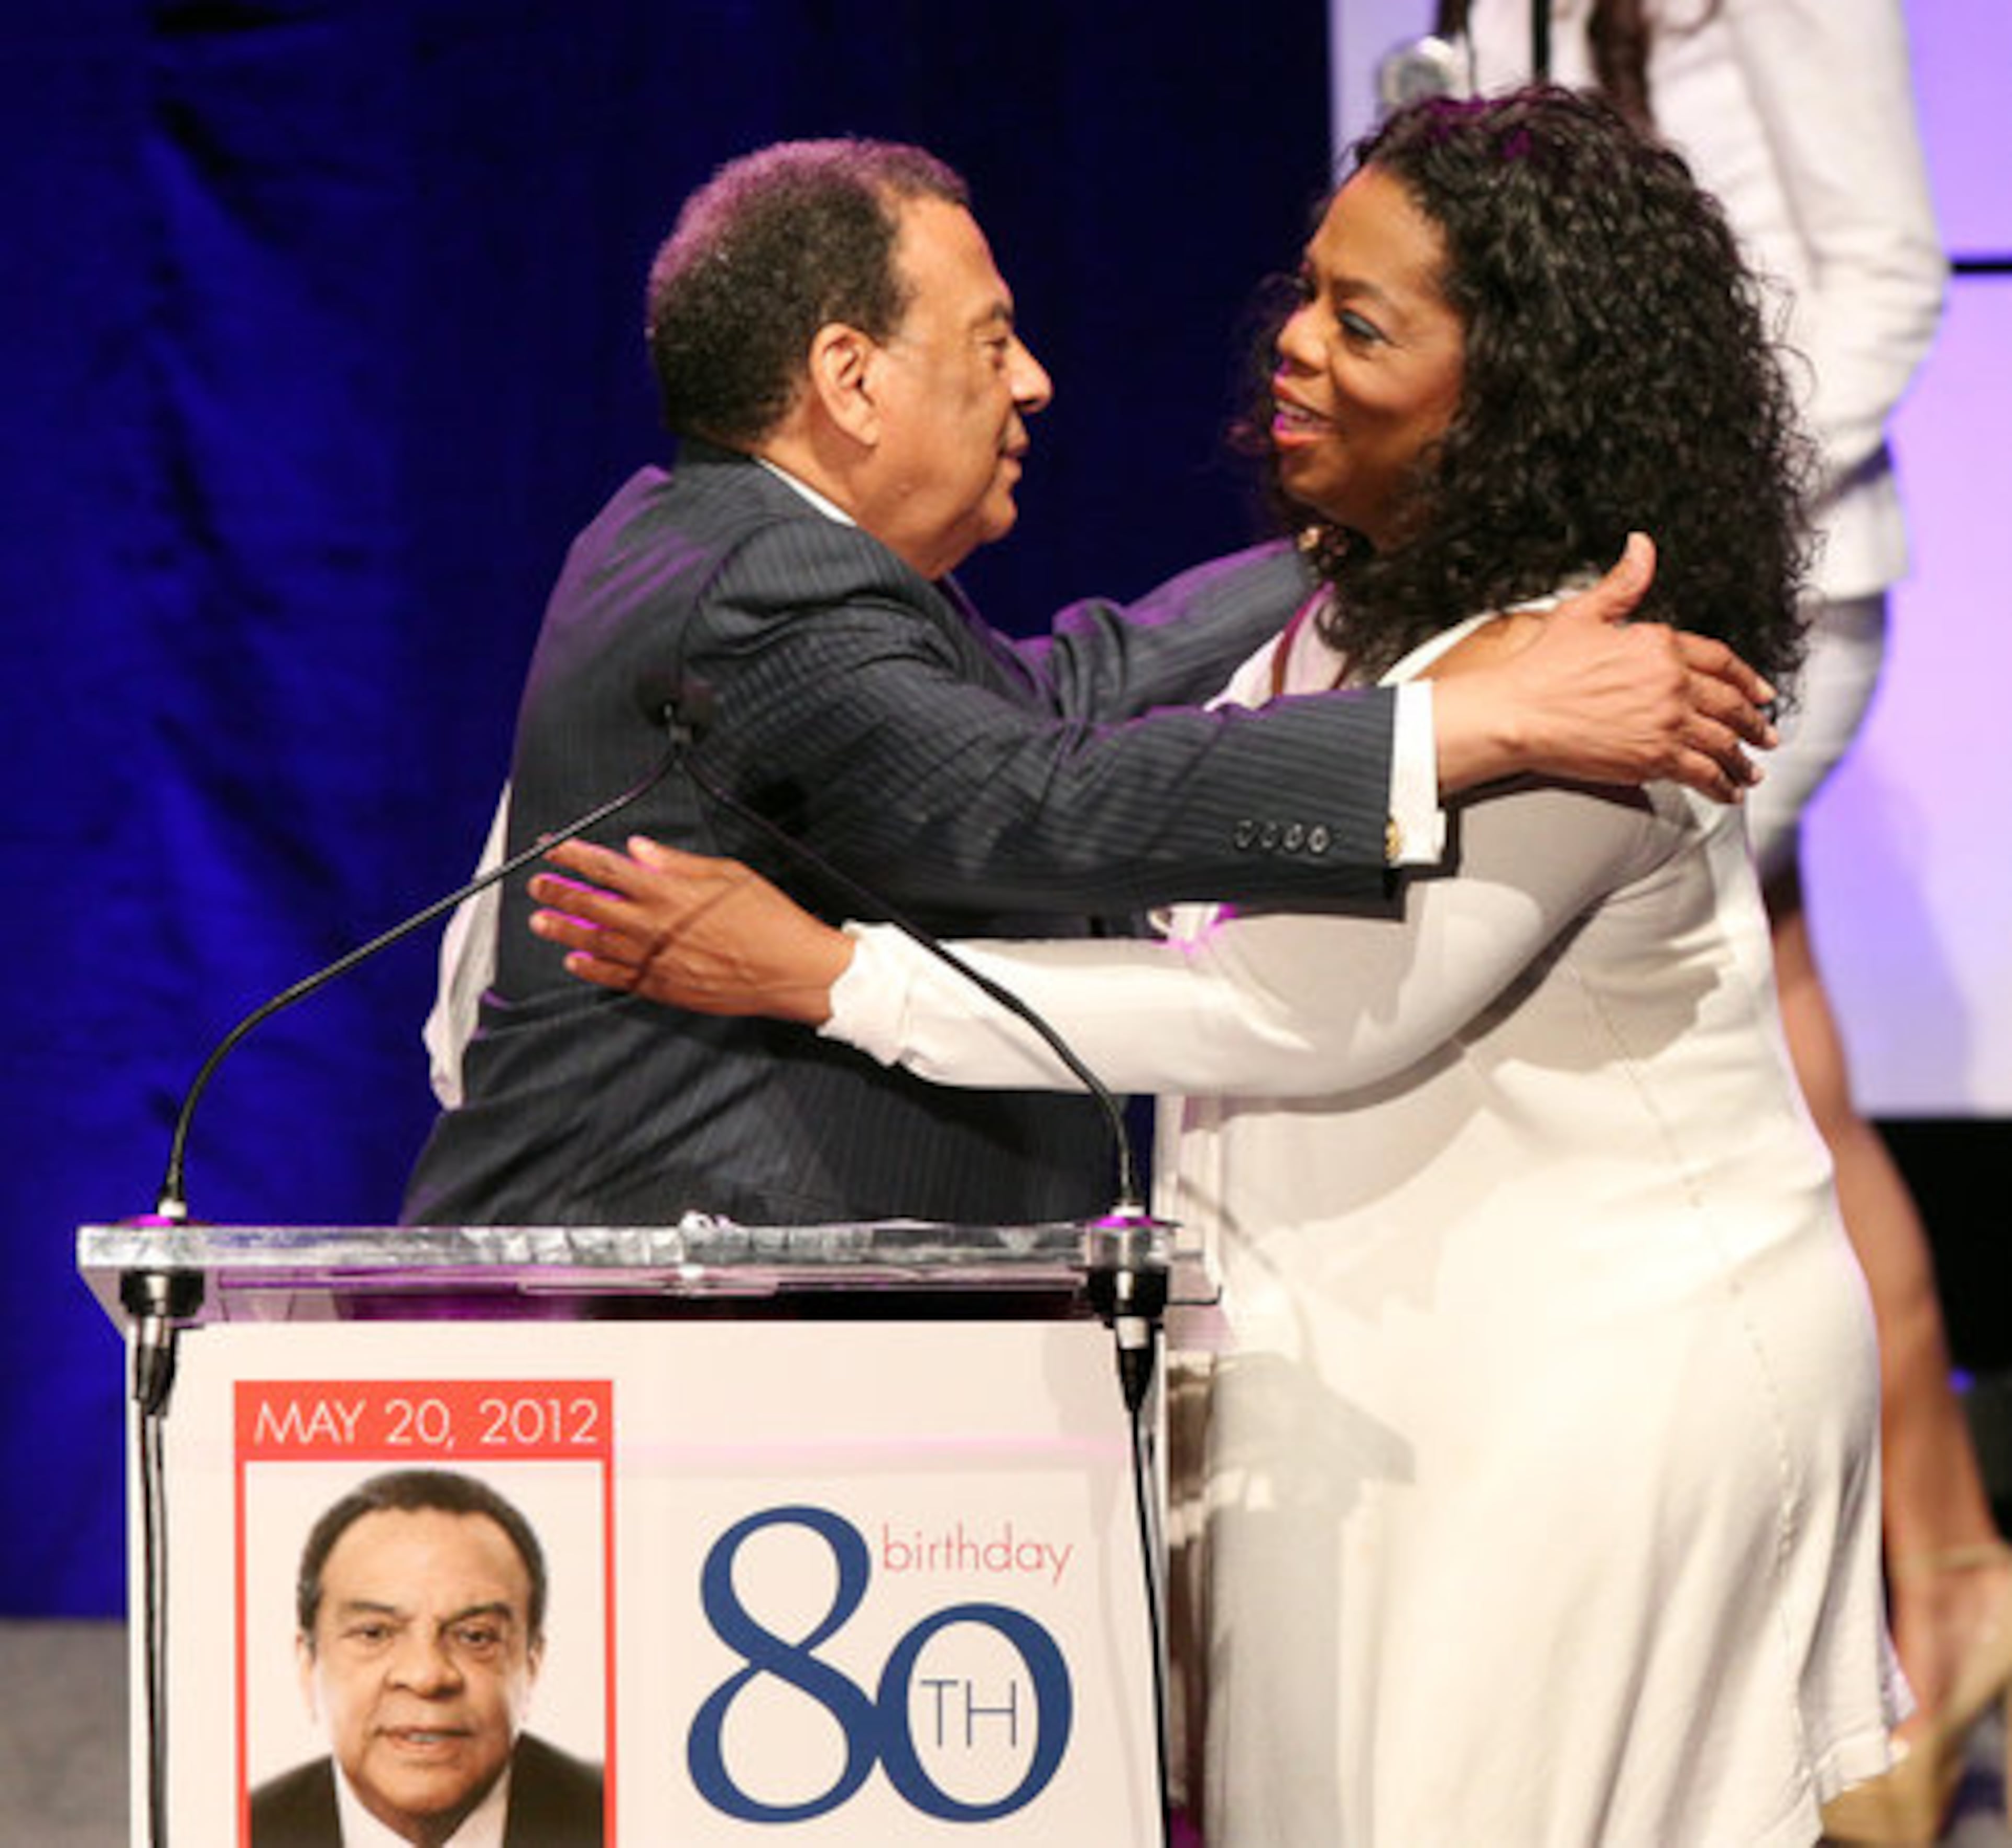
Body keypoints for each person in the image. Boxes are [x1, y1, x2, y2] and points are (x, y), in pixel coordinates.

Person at [524, 90, 1901, 1845]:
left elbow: (1298, 1011)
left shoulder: (1587, 680)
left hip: (1581, 1392)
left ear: (1511, 392)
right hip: (1391, 1390)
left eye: (1360, 321)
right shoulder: (1374, 625)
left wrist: (832, 973)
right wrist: (1420, 650)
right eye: (1309, 293)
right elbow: (1059, 736)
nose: (1293, 346)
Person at [399, 134, 1777, 1233]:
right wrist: (1474, 716)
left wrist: (1399, 526)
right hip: (669, 1343)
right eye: (992, 341)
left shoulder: (721, 540)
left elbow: (1062, 690)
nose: (1038, 382)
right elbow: (1036, 796)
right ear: (851, 379)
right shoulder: (766, 582)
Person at [1442, 7, 1997, 1838]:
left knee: (1637, 1068)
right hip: (1604, 581)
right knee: (1800, 1097)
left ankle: (1764, 1636)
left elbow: (1886, 272)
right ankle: (1947, 1577)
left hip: (1762, 588)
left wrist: (1696, 504)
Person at [250, 1469, 603, 1848]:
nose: (427, 1676)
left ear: (532, 1667)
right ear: (308, 1666)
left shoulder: (627, 1816)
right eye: (375, 1633)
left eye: (475, 1636)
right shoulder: (237, 1829)